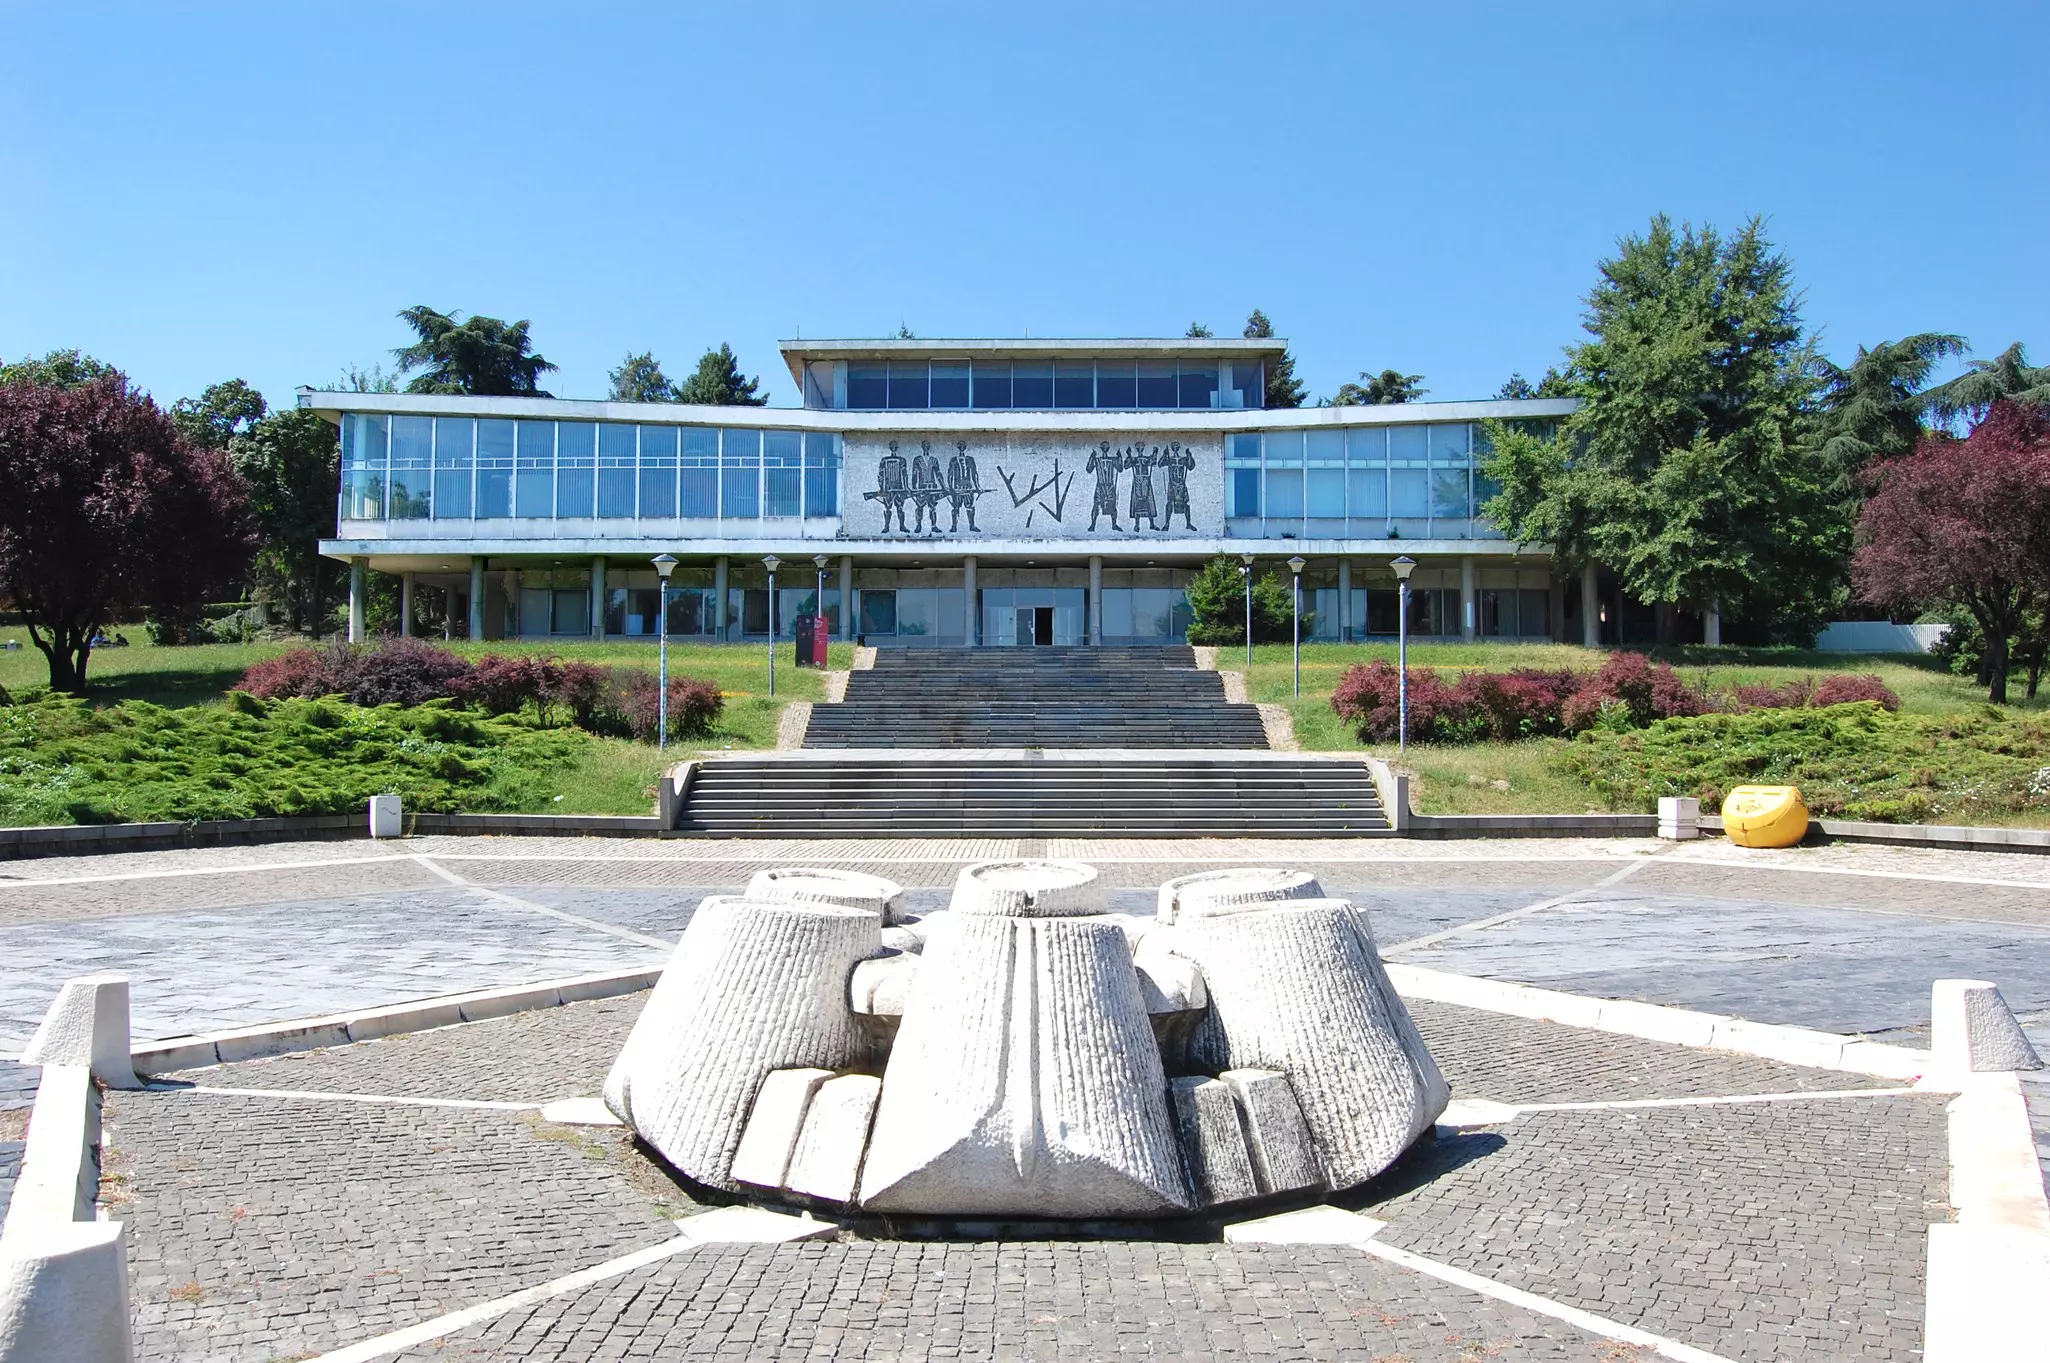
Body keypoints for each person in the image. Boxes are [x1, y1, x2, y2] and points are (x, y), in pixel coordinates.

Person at [866, 439, 910, 533]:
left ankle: (902, 526)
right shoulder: (884, 460)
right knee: (887, 508)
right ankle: (886, 527)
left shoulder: (902, 460)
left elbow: (904, 474)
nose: (894, 449)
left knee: (900, 507)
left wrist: (906, 487)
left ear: (897, 448)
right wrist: (882, 488)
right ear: (890, 448)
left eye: (895, 447)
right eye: (892, 447)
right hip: (888, 488)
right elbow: (880, 475)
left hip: (899, 488)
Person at [945, 439, 984, 532]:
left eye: (963, 446)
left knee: (969, 506)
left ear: (965, 447)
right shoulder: (953, 460)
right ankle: (954, 526)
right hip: (957, 488)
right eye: (960, 445)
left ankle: (972, 525)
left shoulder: (970, 460)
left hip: (968, 487)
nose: (961, 447)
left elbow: (974, 473)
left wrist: (978, 486)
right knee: (956, 507)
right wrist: (950, 487)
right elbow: (950, 474)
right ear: (958, 447)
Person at [909, 440, 946, 533]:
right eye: (924, 445)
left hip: (932, 487)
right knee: (920, 506)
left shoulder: (934, 460)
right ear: (922, 447)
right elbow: (914, 474)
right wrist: (914, 488)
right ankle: (918, 525)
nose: (926, 447)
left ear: (929, 447)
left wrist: (944, 486)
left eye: (927, 445)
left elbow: (938, 474)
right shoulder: (917, 459)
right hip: (921, 487)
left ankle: (934, 526)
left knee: (933, 507)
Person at [1086, 440, 1123, 531]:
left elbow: (1120, 468)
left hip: (1110, 486)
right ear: (1101, 448)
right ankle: (1093, 525)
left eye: (1107, 447)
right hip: (1100, 485)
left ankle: (1114, 525)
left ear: (1108, 448)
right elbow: (1089, 469)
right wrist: (1092, 456)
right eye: (1103, 447)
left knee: (1112, 506)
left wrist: (1119, 457)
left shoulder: (1112, 460)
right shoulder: (1097, 460)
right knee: (1096, 505)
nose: (1105, 449)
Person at [1163, 441, 1197, 531]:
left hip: (1181, 484)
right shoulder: (1170, 459)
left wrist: (1189, 456)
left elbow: (1191, 466)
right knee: (1170, 503)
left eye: (1176, 446)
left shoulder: (1183, 459)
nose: (1175, 448)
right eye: (1173, 446)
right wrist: (1164, 454)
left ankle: (1188, 523)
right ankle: (1167, 524)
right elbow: (1160, 463)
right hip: (1172, 484)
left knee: (1185, 503)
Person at [1126, 443, 1159, 531]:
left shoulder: (1146, 459)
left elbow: (1153, 461)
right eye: (1138, 447)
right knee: (1137, 501)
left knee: (1148, 500)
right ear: (1136, 449)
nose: (1140, 449)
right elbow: (1126, 466)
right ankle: (1137, 525)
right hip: (1137, 479)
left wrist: (1155, 453)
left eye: (1141, 447)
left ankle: (1152, 524)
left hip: (1145, 480)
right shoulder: (1134, 459)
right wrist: (1128, 455)